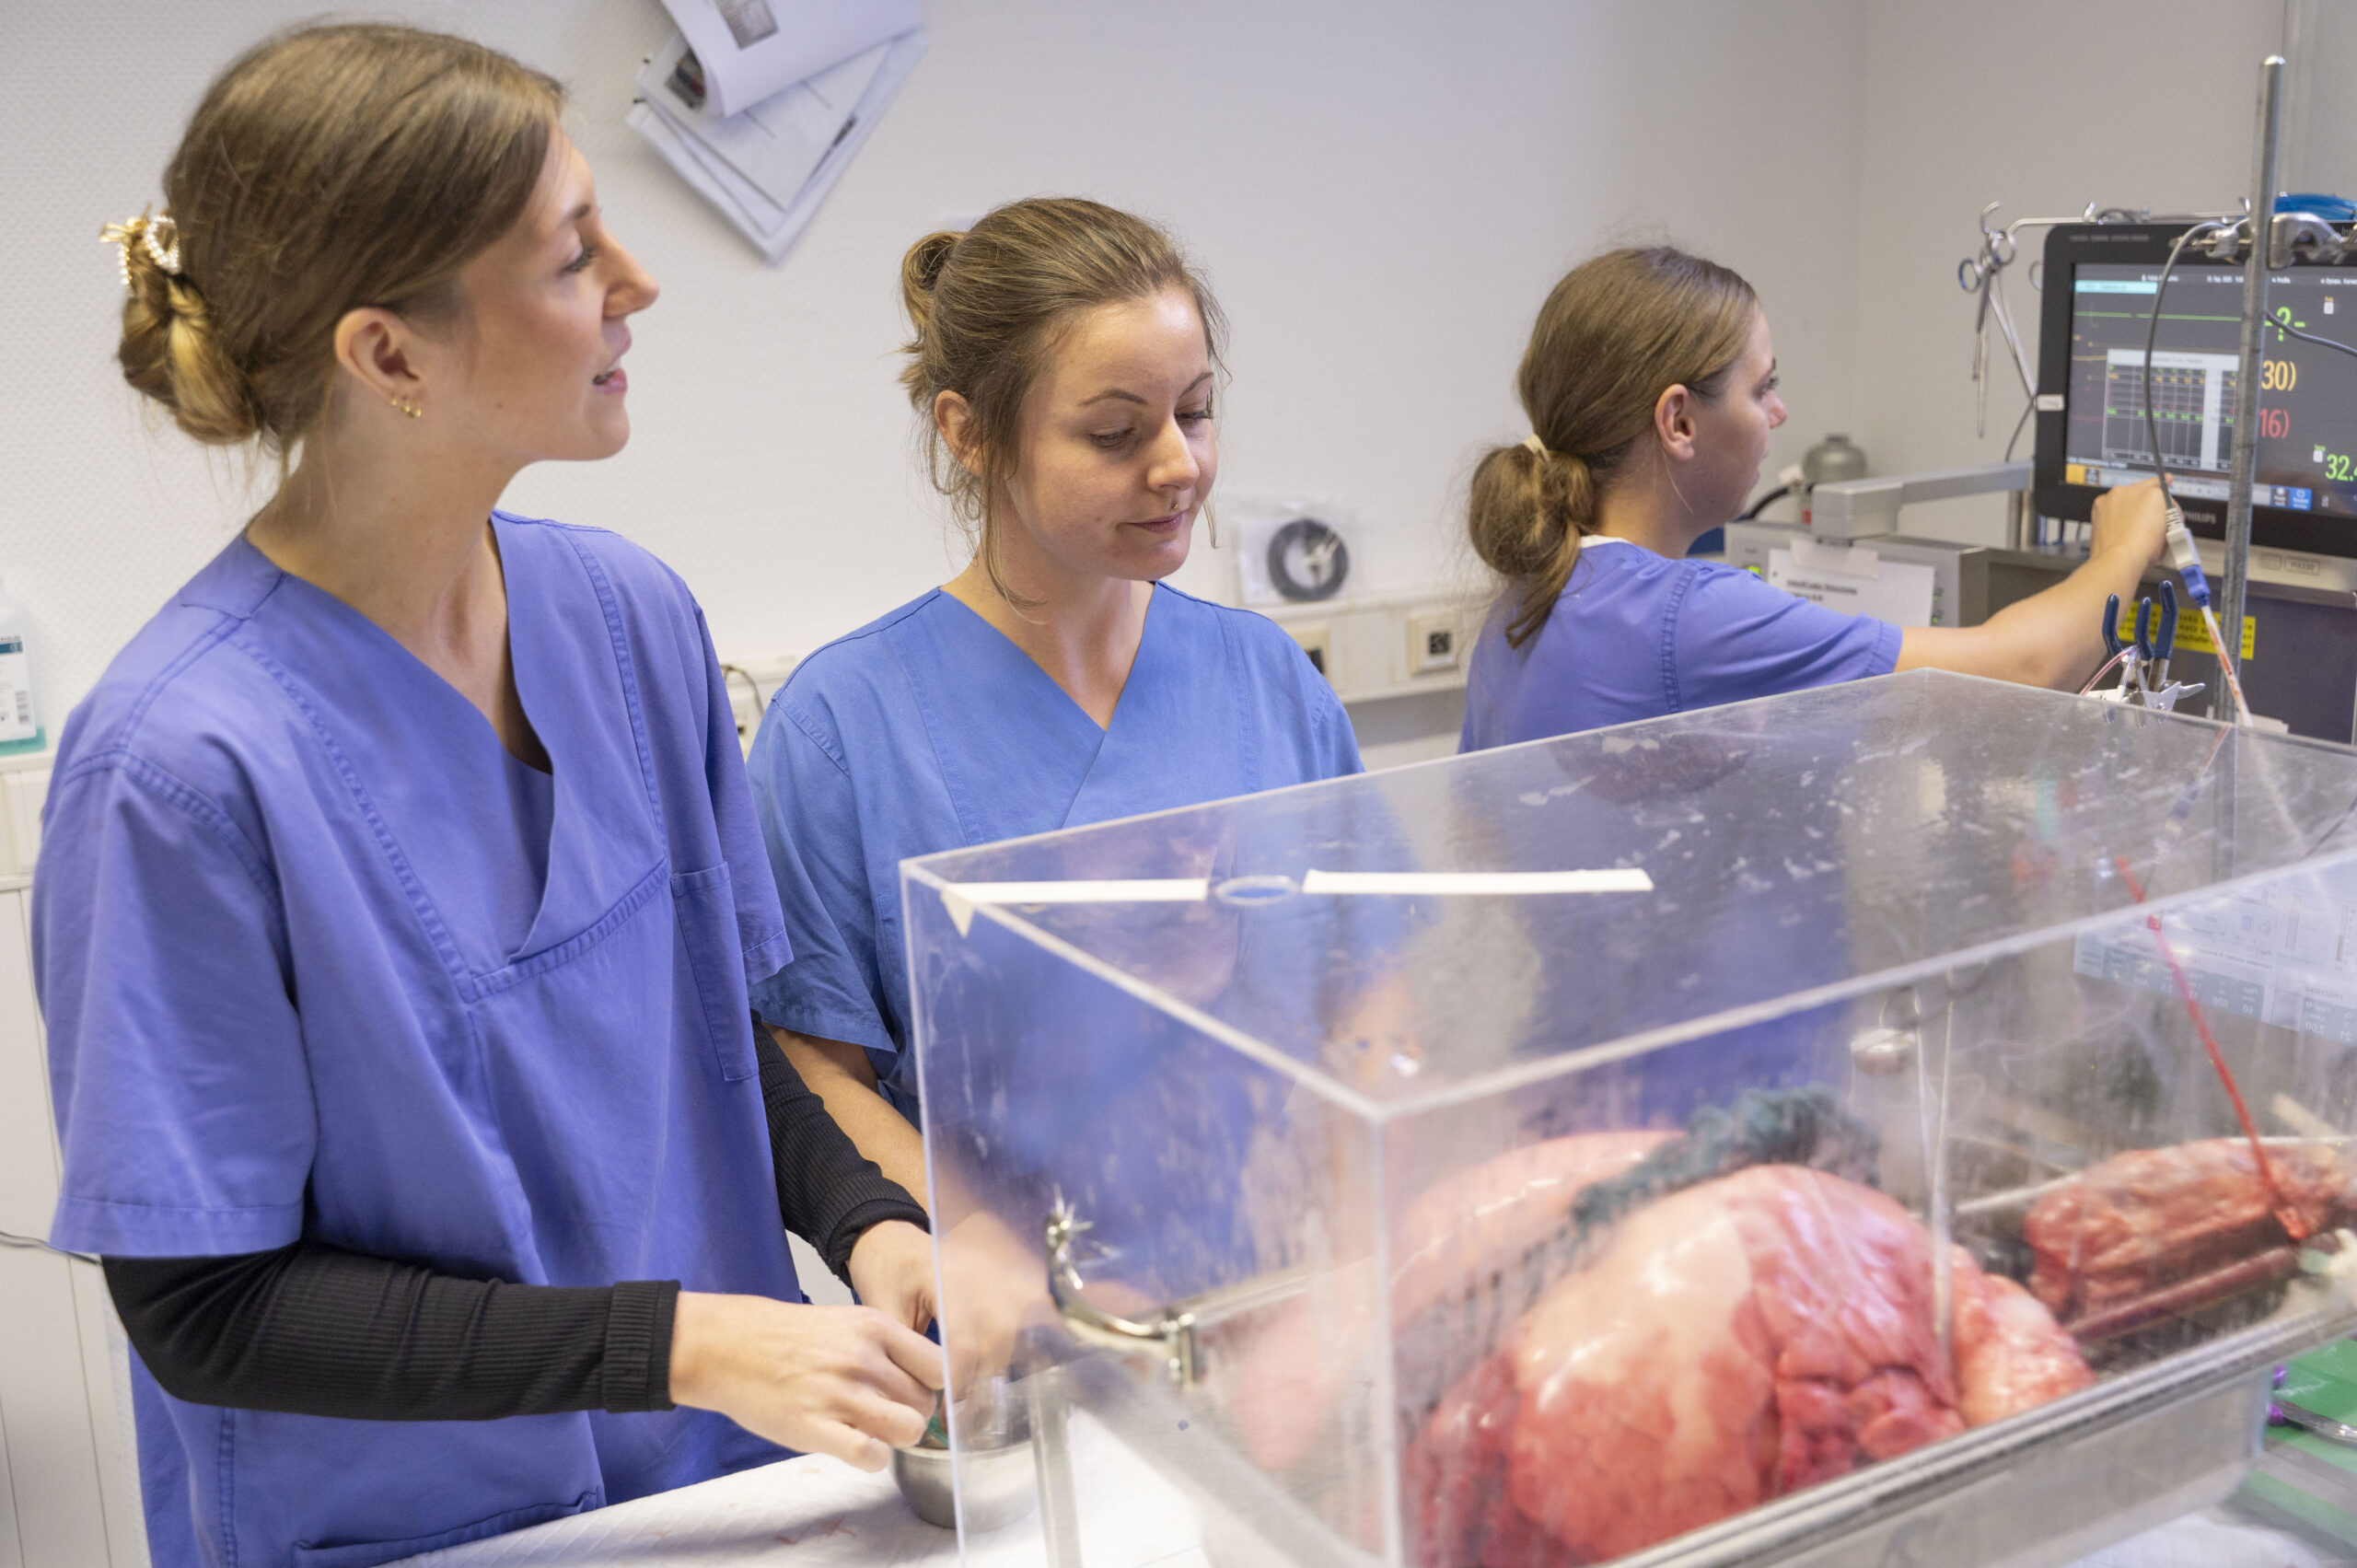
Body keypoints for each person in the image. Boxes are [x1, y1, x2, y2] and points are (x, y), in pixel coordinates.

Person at [37, 26, 941, 1568]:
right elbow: (204, 1303)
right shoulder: (179, 768)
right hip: (411, 1533)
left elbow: (704, 1038)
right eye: (576, 255)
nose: (638, 284)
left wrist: (872, 1220)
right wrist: (682, 1341)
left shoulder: (632, 621)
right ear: (390, 356)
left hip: (723, 1486)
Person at [747, 198, 1363, 1203]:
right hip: (1018, 1285)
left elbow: (1367, 983)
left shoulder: (1267, 680)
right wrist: (988, 1257)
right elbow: (814, 1066)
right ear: (970, 433)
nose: (1179, 465)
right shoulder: (842, 729)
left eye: (1195, 412)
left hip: (1284, 1260)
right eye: (1116, 433)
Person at [1458, 247, 2170, 749]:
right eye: (1762, 387)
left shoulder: (1523, 602)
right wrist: (2122, 550)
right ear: (1679, 422)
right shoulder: (1691, 617)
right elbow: (2023, 669)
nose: (1779, 412)